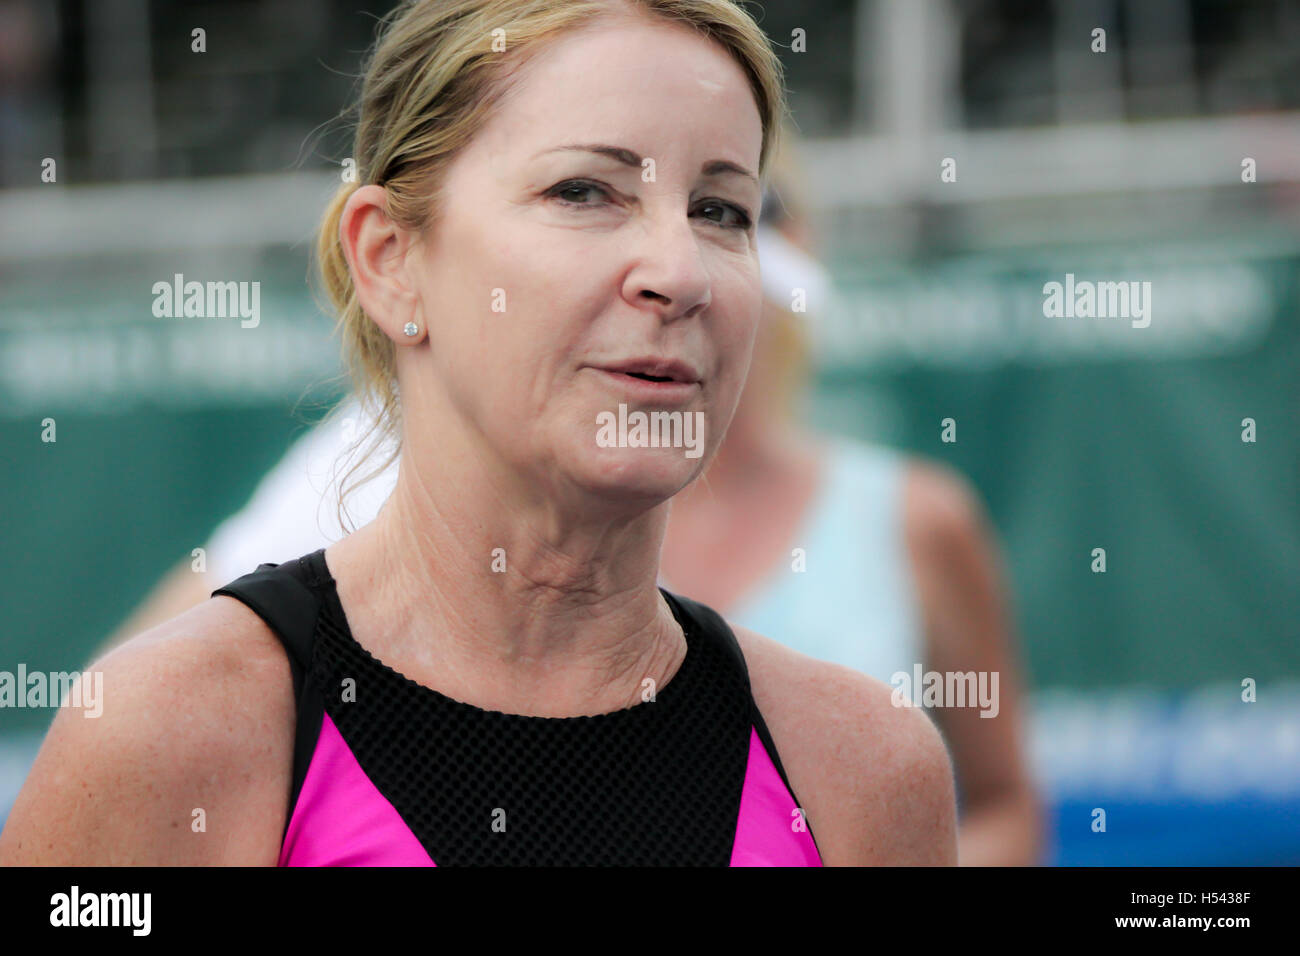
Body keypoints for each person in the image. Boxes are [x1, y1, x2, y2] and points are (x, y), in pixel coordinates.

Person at [0, 0, 956, 866]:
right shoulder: (173, 738)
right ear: (390, 261)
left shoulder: (860, 769)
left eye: (722, 210)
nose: (680, 269)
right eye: (585, 191)